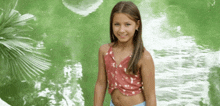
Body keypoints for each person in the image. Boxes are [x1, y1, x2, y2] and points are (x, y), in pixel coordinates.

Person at [94, 1, 156, 106]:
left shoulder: (144, 56)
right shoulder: (104, 51)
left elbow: (151, 96)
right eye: (117, 24)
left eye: (127, 24)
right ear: (111, 24)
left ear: (137, 25)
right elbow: (101, 84)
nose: (122, 30)